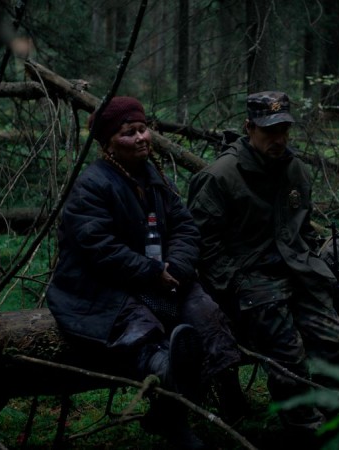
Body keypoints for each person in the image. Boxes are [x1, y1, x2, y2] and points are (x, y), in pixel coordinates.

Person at [46, 96, 242, 450]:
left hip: (158, 279)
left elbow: (185, 227)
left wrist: (176, 267)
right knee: (144, 335)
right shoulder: (91, 185)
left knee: (206, 315)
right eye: (128, 133)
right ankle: (173, 415)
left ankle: (223, 402)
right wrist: (151, 272)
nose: (140, 138)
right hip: (98, 288)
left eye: (142, 129)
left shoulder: (154, 177)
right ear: (108, 144)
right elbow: (99, 248)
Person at [187, 91, 339, 434]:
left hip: (295, 270)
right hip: (249, 278)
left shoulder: (294, 169)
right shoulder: (220, 176)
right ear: (249, 128)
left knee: (336, 342)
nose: (278, 139)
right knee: (289, 356)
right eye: (269, 131)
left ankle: (335, 418)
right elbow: (202, 244)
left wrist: (311, 262)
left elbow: (301, 227)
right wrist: (234, 283)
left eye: (284, 130)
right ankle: (304, 430)